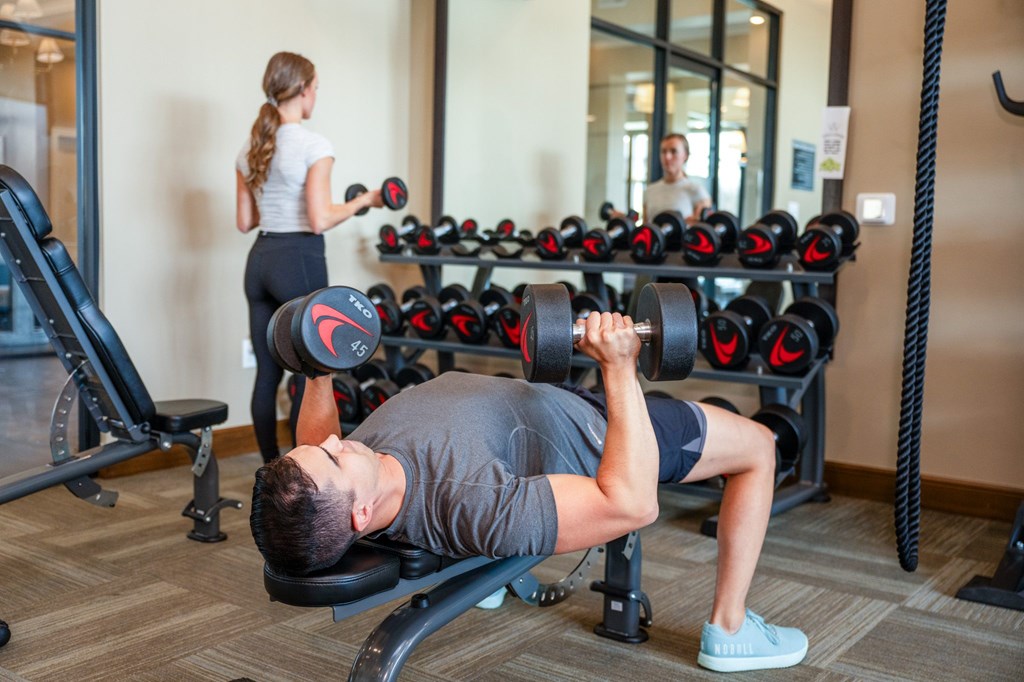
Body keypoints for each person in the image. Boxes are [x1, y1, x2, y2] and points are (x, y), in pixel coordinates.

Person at [250, 310, 809, 673]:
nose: (336, 441)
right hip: (600, 430)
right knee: (760, 446)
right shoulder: (473, 502)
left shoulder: (361, 473)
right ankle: (730, 629)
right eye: (333, 457)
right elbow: (631, 503)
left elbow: (314, 447)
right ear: (361, 514)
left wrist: (317, 369)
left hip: (548, 399)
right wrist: (620, 369)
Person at [235, 51, 384, 463]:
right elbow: (319, 219)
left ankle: (270, 470)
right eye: (315, 88)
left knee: (268, 373)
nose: (316, 95)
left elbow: (244, 221)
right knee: (313, 373)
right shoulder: (314, 145)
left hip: (260, 260)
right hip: (298, 258)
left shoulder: (251, 147)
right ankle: (309, 473)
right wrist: (364, 201)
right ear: (302, 91)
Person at [643, 132, 712, 225]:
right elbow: (645, 228)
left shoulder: (697, 191)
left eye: (673, 151)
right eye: (663, 151)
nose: (667, 157)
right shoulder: (649, 190)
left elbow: (703, 230)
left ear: (685, 155)